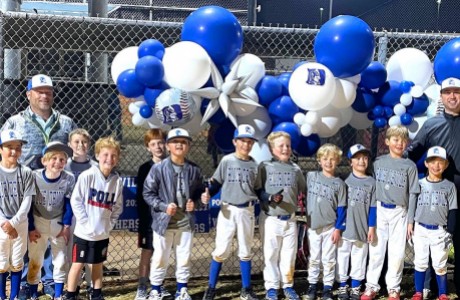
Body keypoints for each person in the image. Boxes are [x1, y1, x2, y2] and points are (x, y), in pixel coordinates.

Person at [1, 74, 77, 299]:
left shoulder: (65, 122)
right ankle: (26, 280)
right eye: (39, 91)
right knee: (27, 236)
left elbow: (73, 153)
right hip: (23, 190)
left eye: (48, 92)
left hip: (53, 190)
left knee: (53, 237)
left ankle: (52, 280)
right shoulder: (15, 122)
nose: (44, 95)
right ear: (28, 94)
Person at [408, 77, 460, 295]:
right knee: (431, 240)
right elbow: (413, 152)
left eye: (456, 92)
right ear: (441, 97)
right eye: (447, 92)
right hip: (437, 192)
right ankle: (427, 288)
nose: (452, 96)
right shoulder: (431, 125)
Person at [143, 128, 208, 300]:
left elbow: (200, 193)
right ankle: (155, 289)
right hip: (164, 222)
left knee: (184, 256)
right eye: (175, 142)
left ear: (188, 146)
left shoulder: (194, 169)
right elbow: (148, 193)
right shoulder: (158, 168)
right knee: (160, 257)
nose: (179, 144)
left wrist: (197, 202)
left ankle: (182, 289)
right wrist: (164, 207)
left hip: (185, 222)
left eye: (184, 142)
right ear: (168, 146)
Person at [361, 125, 420, 300]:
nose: (399, 143)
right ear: (387, 141)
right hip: (380, 210)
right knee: (376, 250)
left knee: (397, 252)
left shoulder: (409, 166)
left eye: (403, 140)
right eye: (395, 139)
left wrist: (410, 220)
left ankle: (393, 288)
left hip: (400, 212)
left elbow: (413, 194)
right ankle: (371, 286)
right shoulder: (378, 163)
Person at [202, 124, 259, 300]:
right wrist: (208, 193)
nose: (246, 145)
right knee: (221, 249)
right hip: (227, 209)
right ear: (235, 142)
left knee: (245, 249)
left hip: (246, 210)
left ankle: (246, 289)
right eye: (242, 141)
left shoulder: (255, 165)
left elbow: (258, 189)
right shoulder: (227, 160)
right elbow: (216, 182)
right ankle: (211, 288)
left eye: (250, 142)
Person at [63, 136, 123, 300]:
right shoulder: (87, 175)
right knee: (77, 264)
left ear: (117, 159)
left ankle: (96, 293)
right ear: (97, 155)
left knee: (97, 265)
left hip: (102, 233)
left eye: (113, 156)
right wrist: (85, 222)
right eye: (105, 155)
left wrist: (109, 225)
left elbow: (118, 206)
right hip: (84, 233)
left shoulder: (116, 181)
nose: (109, 159)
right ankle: (70, 294)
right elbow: (76, 200)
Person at [254, 131, 306, 300]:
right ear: (271, 148)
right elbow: (258, 189)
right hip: (271, 218)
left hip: (289, 219)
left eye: (288, 146)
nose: (285, 148)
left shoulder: (295, 169)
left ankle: (288, 285)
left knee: (289, 254)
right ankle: (271, 287)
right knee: (270, 254)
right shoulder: (265, 166)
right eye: (281, 146)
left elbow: (304, 190)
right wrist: (269, 197)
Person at [27, 141, 75, 300]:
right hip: (38, 221)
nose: (58, 162)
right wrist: (31, 228)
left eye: (62, 159)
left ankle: (58, 294)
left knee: (60, 259)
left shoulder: (68, 178)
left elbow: (69, 204)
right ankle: (33, 292)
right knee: (36, 258)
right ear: (44, 161)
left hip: (58, 223)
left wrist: (66, 226)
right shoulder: (34, 177)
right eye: (53, 158)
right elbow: (29, 204)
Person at [409, 146, 457, 300]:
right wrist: (410, 223)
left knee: (440, 263)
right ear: (426, 164)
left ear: (446, 165)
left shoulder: (449, 186)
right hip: (420, 228)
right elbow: (412, 204)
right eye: (432, 161)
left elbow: (453, 210)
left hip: (439, 230)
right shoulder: (419, 183)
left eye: (440, 162)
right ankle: (418, 292)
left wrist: (450, 231)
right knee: (420, 261)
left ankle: (442, 293)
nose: (436, 165)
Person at [303, 143, 347, 300]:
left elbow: (342, 208)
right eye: (325, 159)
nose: (329, 162)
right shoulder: (311, 177)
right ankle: (312, 286)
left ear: (338, 161)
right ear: (319, 161)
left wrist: (337, 229)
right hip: (313, 226)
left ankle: (327, 287)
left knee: (329, 259)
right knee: (314, 258)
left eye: (332, 159)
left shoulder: (339, 184)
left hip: (329, 227)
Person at [336, 144, 376, 300]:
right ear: (350, 161)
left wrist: (371, 227)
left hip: (362, 229)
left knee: (359, 259)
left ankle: (355, 288)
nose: (362, 161)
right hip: (346, 229)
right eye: (357, 158)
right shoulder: (344, 182)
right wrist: (338, 227)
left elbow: (373, 207)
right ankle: (342, 287)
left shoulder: (372, 182)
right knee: (343, 257)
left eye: (365, 158)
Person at [0, 130, 35, 300]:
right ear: (0, 149)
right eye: (9, 147)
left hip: (19, 222)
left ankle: (13, 296)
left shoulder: (26, 172)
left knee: (17, 260)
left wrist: (13, 223)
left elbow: (27, 202)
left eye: (17, 147)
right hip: (0, 222)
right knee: (1, 261)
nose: (14, 151)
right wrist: (4, 223)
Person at [134, 129, 168, 300]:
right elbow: (141, 197)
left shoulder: (172, 165)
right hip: (149, 220)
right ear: (148, 147)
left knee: (163, 253)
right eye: (153, 144)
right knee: (148, 252)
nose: (158, 147)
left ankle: (158, 285)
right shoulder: (144, 169)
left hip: (167, 220)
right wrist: (144, 219)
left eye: (161, 142)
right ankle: (142, 286)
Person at [64, 128, 97, 297]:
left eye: (84, 142)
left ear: (89, 144)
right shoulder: (65, 165)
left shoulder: (95, 167)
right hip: (72, 216)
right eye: (76, 142)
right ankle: (74, 286)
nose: (80, 145)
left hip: (91, 215)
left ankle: (92, 286)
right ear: (70, 144)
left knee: (93, 252)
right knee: (72, 253)